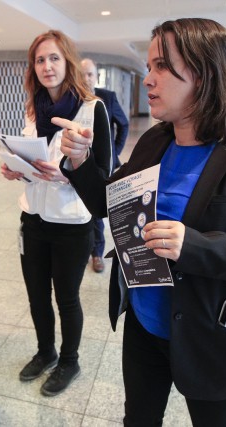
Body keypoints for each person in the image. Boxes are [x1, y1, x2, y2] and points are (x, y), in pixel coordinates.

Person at [57, 18, 226, 426]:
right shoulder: (155, 141)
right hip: (146, 321)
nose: (148, 79)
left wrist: (195, 246)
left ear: (206, 72)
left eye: (162, 66)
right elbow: (112, 205)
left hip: (215, 333)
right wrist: (80, 162)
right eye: (149, 66)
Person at [0, 30, 112, 396]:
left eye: (54, 58)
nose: (47, 66)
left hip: (72, 222)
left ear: (67, 62)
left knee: (66, 297)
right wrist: (17, 167)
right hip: (33, 218)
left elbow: (105, 176)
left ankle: (69, 359)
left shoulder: (92, 109)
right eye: (39, 60)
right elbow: (35, 158)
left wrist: (68, 174)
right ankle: (45, 352)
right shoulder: (35, 108)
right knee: (36, 295)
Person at [81, 57, 130, 273]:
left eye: (90, 74)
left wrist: (115, 152)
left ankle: (97, 253)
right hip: (78, 164)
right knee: (79, 211)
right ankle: (82, 250)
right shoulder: (72, 99)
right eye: (81, 74)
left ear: (96, 76)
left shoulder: (107, 97)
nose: (86, 78)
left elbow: (124, 124)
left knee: (95, 210)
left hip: (102, 166)